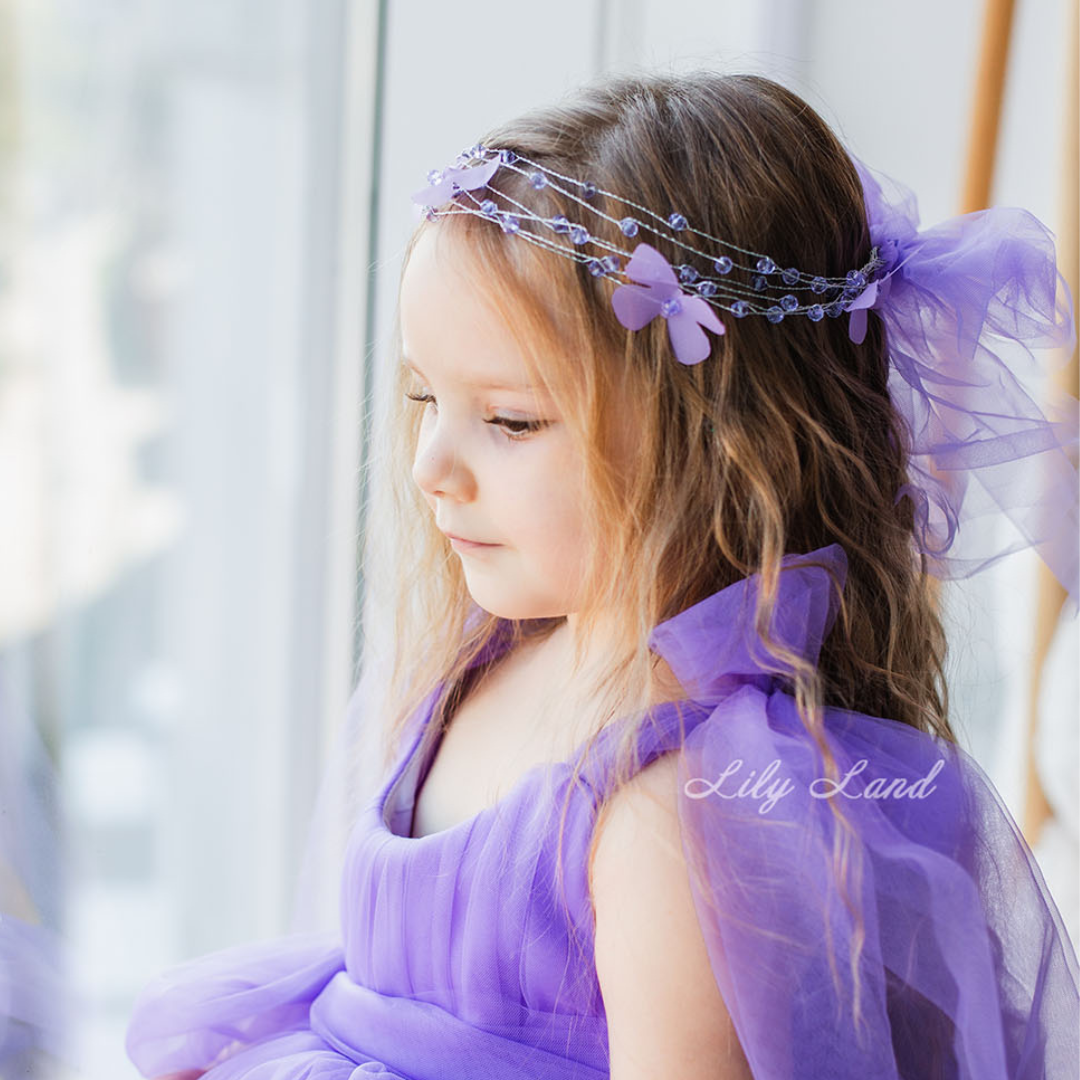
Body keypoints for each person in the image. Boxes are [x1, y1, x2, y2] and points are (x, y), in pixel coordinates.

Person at [124, 70, 1080, 1080]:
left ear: (718, 443)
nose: (429, 467)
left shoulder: (678, 813)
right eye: (422, 397)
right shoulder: (479, 658)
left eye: (509, 420)